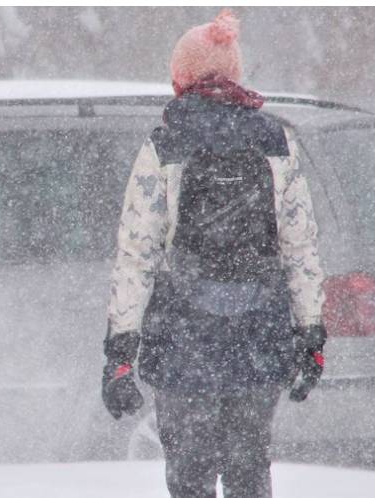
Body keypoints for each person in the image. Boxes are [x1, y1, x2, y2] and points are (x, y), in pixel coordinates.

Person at [100, 9, 327, 498]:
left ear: (181, 77)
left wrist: (121, 351)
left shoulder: (164, 143)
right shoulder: (276, 141)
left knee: (190, 476)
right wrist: (311, 333)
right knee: (249, 469)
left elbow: (136, 255)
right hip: (259, 331)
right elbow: (300, 247)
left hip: (184, 334)